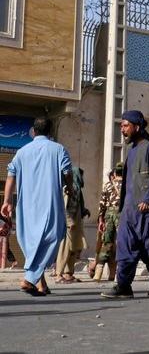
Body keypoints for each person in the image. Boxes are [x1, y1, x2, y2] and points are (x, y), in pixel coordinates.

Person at [101, 110, 149, 299]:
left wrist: (148, 200)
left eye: (125, 126)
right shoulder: (132, 150)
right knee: (124, 247)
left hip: (146, 211)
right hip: (128, 211)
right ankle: (124, 286)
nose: (122, 129)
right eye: (121, 126)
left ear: (137, 127)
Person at [1, 117, 73, 296]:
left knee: (33, 243)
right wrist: (69, 187)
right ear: (51, 132)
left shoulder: (22, 152)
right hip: (50, 204)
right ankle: (29, 279)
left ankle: (40, 284)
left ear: (33, 131)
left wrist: (7, 201)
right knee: (54, 237)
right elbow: (67, 172)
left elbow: (11, 174)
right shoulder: (59, 149)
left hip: (26, 206)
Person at [55, 166, 89, 283]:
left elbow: (78, 205)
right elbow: (64, 207)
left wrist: (84, 211)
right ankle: (58, 274)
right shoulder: (67, 188)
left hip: (76, 223)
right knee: (64, 248)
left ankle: (69, 273)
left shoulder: (78, 189)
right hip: (68, 224)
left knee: (73, 249)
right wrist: (69, 221)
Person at [92, 163, 123, 282]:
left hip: (109, 216)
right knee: (122, 243)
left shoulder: (108, 185)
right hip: (122, 216)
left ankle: (98, 274)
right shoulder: (128, 185)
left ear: (114, 174)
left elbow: (102, 204)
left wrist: (100, 220)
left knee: (107, 243)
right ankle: (117, 275)